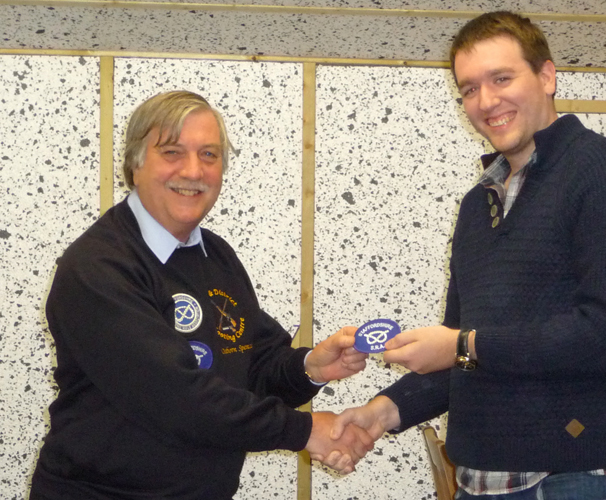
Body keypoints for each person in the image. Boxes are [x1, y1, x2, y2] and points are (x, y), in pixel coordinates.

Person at [332, 11, 606, 500]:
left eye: (501, 78)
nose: (486, 101)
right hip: (477, 483)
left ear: (547, 76)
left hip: (570, 481)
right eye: (469, 89)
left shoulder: (605, 169)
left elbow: (605, 332)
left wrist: (463, 345)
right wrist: (380, 413)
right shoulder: (476, 204)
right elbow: (462, 354)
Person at [29, 90, 373, 500]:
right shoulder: (98, 266)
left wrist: (309, 368)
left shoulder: (216, 256)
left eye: (209, 155)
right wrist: (304, 432)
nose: (193, 171)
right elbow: (175, 398)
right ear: (135, 165)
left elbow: (253, 365)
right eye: (172, 152)